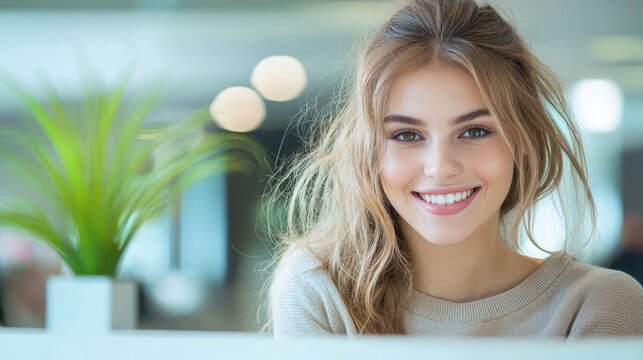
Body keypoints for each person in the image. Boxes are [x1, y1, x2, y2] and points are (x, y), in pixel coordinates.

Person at [265, 0, 643, 337]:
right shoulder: (321, 291)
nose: (440, 167)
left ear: (522, 140)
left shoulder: (599, 305)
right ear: (367, 152)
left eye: (474, 130)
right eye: (407, 135)